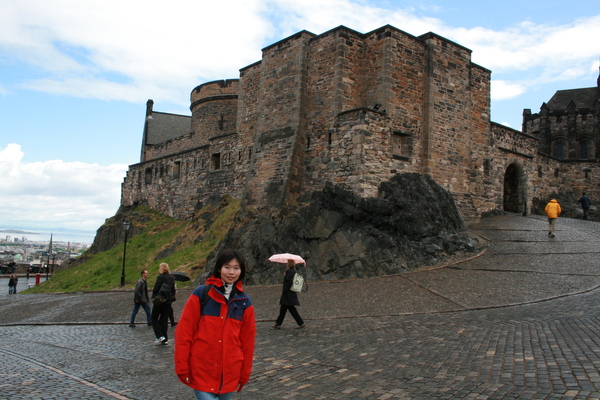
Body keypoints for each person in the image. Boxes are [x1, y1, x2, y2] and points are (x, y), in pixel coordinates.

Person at [174, 249, 256, 400]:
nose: (231, 272)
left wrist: (244, 374)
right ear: (219, 268)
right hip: (202, 370)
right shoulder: (202, 294)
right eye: (227, 267)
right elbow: (184, 333)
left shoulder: (245, 303)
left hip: (229, 373)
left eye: (236, 268)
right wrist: (182, 366)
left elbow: (247, 342)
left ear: (241, 271)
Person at [273, 259, 305, 329]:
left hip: (288, 294)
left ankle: (300, 323)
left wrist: (285, 277)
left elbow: (288, 282)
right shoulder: (292, 271)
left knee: (288, 309)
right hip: (289, 294)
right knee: (285, 309)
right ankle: (278, 324)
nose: (286, 264)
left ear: (289, 264)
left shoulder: (289, 271)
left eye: (287, 263)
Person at [151, 263, 176, 345]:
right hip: (168, 301)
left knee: (154, 317)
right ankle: (165, 339)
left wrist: (154, 296)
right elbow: (173, 290)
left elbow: (156, 289)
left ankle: (160, 336)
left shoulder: (160, 277)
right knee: (164, 319)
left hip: (160, 300)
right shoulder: (171, 278)